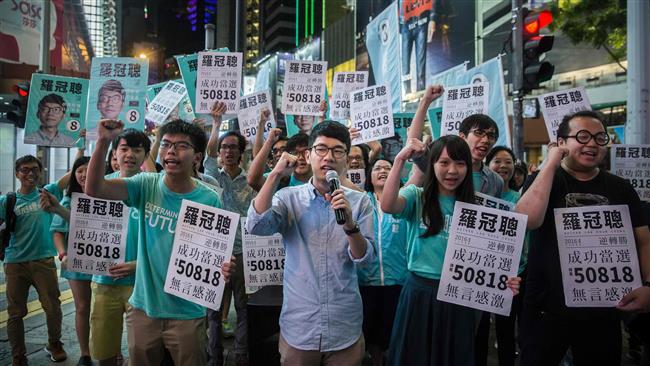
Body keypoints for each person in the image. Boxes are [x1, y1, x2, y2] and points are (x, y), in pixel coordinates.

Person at [515, 110, 650, 365]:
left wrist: (649, 286)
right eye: (583, 136)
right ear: (562, 142)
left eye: (600, 138)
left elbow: (644, 240)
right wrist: (551, 163)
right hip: (546, 306)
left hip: (603, 308)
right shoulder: (542, 179)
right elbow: (527, 220)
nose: (592, 144)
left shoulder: (621, 188)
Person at [85, 118, 222, 365]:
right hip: (143, 309)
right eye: (167, 144)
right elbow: (94, 189)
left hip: (187, 313)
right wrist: (103, 141)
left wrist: (223, 265)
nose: (171, 151)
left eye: (181, 146)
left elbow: (212, 255)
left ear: (197, 156)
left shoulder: (209, 199)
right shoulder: (145, 184)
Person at [381, 135, 520, 365]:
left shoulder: (479, 208)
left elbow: (488, 260)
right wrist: (399, 161)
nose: (452, 171)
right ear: (432, 164)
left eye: (460, 163)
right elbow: (388, 205)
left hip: (459, 297)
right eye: (444, 163)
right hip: (419, 294)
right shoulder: (418, 196)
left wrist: (503, 280)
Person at [245, 120, 375, 365]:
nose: (329, 157)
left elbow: (365, 259)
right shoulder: (288, 198)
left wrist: (349, 225)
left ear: (346, 159)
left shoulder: (359, 202)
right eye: (321, 149)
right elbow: (256, 226)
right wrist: (275, 175)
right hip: (300, 328)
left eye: (338, 151)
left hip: (343, 326)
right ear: (309, 155)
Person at [1, 155, 70, 366]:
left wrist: (81, 146)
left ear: (40, 172)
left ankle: (54, 343)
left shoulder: (47, 193)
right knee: (15, 312)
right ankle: (18, 356)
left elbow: (69, 176)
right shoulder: (8, 200)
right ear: (17, 174)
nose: (30, 173)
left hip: (43, 261)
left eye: (34, 169)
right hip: (14, 262)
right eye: (24, 170)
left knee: (52, 307)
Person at [91, 129, 150, 366]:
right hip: (105, 282)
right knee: (104, 352)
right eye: (124, 149)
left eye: (137, 150)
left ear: (146, 155)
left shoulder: (155, 188)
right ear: (114, 153)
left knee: (142, 353)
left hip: (143, 285)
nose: (130, 155)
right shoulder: (100, 187)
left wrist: (138, 265)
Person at [205, 102, 256, 366]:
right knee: (212, 310)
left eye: (233, 147)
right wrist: (216, 124)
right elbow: (209, 152)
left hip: (243, 252)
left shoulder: (251, 179)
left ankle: (241, 354)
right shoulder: (213, 177)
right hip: (215, 250)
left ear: (241, 151)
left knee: (244, 308)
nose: (227, 151)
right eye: (224, 147)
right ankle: (214, 356)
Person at [474, 146, 527, 366]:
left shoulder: (522, 198)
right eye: (497, 161)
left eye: (508, 162)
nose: (503, 166)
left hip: (514, 273)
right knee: (479, 328)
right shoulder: (478, 197)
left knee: (507, 329)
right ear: (487, 165)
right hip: (480, 271)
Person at [358, 158, 408, 366]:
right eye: (377, 168)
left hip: (397, 282)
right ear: (369, 176)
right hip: (365, 282)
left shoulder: (405, 202)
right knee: (369, 333)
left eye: (388, 168)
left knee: (394, 333)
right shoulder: (360, 201)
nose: (383, 171)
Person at [50, 157, 94, 366]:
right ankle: (85, 354)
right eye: (80, 171)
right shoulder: (68, 201)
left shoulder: (112, 198)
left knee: (106, 307)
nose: (84, 174)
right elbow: (58, 232)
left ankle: (112, 352)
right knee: (82, 307)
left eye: (89, 170)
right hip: (76, 261)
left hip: (107, 263)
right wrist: (63, 254)